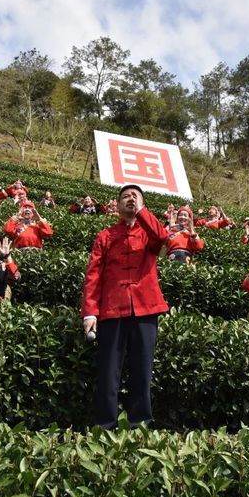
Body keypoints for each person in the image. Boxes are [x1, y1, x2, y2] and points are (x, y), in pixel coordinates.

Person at [82, 184, 169, 429]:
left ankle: (140, 422)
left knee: (143, 369)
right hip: (112, 309)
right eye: (125, 197)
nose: (130, 199)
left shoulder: (148, 233)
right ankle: (104, 424)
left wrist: (142, 212)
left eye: (135, 196)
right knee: (109, 371)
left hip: (146, 308)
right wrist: (90, 311)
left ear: (142, 204)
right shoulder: (105, 236)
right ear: (117, 206)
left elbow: (163, 238)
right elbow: (94, 275)